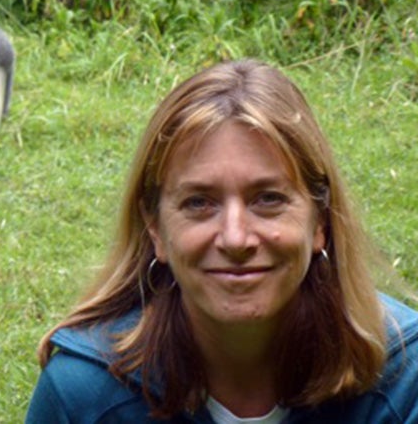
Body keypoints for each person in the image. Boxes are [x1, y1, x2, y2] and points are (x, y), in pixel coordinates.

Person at [25, 59, 418, 423]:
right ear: (156, 228)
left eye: (268, 199)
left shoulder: (405, 379)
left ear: (320, 221)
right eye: (198, 202)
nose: (235, 238)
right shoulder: (82, 395)